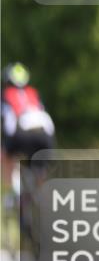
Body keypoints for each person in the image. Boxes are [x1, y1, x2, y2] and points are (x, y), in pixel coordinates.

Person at [1, 63, 56, 194]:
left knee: (5, 157)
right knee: (40, 169)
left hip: (21, 133)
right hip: (45, 134)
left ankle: (14, 195)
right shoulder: (34, 93)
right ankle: (41, 200)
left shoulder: (6, 94)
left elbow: (7, 122)